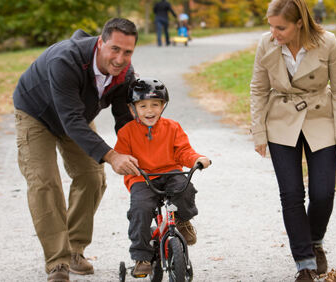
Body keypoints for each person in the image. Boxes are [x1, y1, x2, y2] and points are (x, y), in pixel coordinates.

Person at [13, 18, 141, 282]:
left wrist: (143, 150)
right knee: (45, 182)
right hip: (36, 113)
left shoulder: (124, 73)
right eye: (114, 49)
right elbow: (70, 120)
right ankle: (57, 262)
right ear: (100, 43)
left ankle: (74, 250)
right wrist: (112, 155)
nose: (120, 58)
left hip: (75, 116)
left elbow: (123, 120)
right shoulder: (65, 59)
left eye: (127, 52)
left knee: (92, 176)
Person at [250, 0, 336, 281]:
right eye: (271, 26)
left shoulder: (327, 42)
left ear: (299, 23)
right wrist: (258, 132)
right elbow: (258, 89)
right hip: (281, 122)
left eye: (280, 27)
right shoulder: (266, 43)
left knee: (323, 193)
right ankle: (305, 263)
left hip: (321, 119)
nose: (274, 33)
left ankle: (315, 240)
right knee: (292, 195)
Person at [114, 77, 211, 276]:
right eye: (143, 106)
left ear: (163, 105)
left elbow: (183, 150)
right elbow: (120, 157)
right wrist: (124, 165)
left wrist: (196, 159)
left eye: (155, 105)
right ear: (133, 109)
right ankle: (141, 256)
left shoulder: (172, 127)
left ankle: (182, 222)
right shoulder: (127, 133)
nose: (149, 111)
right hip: (141, 178)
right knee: (140, 209)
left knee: (184, 187)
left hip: (169, 172)